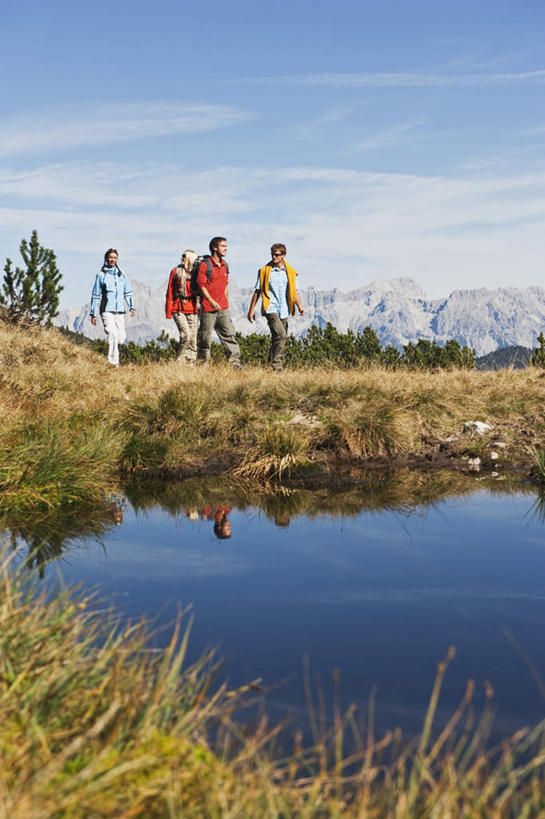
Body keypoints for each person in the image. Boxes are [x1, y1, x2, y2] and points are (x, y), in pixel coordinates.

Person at [247, 243, 305, 370]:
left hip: (284, 308)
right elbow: (257, 292)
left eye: (277, 254)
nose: (274, 257)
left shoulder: (290, 272)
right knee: (281, 335)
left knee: (277, 338)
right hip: (270, 308)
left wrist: (299, 305)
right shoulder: (264, 271)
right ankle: (276, 365)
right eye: (272, 254)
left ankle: (269, 364)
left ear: (283, 255)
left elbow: (294, 291)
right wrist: (251, 310)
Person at [196, 237, 241, 367]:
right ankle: (203, 363)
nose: (226, 248)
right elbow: (201, 286)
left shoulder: (225, 265)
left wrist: (226, 304)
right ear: (215, 248)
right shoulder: (205, 265)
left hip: (223, 308)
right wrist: (211, 301)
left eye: (226, 246)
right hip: (208, 308)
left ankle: (235, 363)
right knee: (205, 337)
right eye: (223, 246)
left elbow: (225, 286)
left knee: (229, 335)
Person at [90, 249, 135, 367]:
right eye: (110, 257)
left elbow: (128, 292)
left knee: (121, 338)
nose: (112, 260)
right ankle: (112, 364)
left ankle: (114, 361)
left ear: (117, 259)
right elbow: (95, 295)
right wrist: (93, 313)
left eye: (115, 258)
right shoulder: (101, 275)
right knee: (113, 335)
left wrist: (131, 307)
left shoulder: (122, 274)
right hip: (106, 311)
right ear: (106, 259)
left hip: (120, 311)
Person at [165, 250, 199, 363]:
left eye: (184, 256)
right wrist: (168, 311)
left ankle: (191, 362)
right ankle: (179, 360)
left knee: (193, 337)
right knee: (186, 335)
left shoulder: (196, 272)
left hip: (193, 308)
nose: (181, 258)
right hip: (178, 307)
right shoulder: (175, 272)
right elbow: (169, 291)